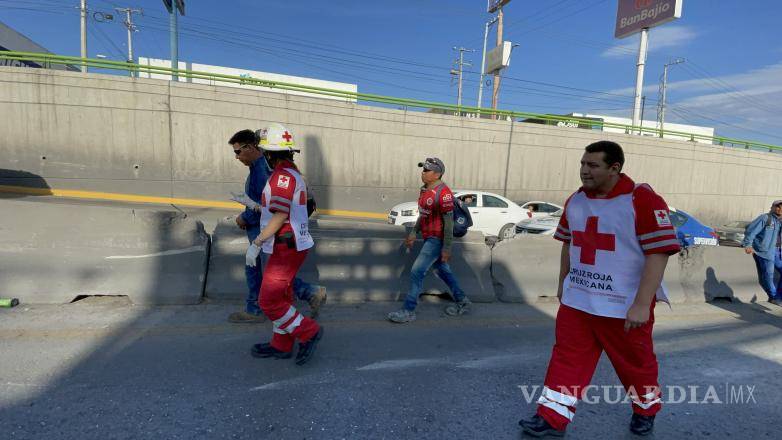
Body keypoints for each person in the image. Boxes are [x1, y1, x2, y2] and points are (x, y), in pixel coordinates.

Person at [518, 140, 680, 437]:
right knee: (567, 358)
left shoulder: (641, 199)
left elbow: (658, 252)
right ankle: (552, 418)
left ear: (614, 168)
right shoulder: (576, 201)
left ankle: (645, 409)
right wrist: (563, 283)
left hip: (623, 305)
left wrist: (642, 304)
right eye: (582, 164)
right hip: (578, 301)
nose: (584, 170)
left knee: (635, 364)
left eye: (593, 165)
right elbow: (569, 244)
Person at [227, 129, 326, 323]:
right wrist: (251, 204)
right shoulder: (282, 172)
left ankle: (305, 326)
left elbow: (279, 213)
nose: (237, 157)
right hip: (279, 235)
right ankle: (286, 324)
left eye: (238, 151)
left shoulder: (276, 174)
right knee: (271, 280)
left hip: (277, 236)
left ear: (258, 149)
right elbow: (269, 206)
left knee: (270, 286)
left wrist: (255, 236)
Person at [244, 123, 324, 365]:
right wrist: (253, 205)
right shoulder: (289, 174)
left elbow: (280, 215)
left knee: (268, 301)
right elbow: (279, 209)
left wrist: (257, 242)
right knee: (283, 297)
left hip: (285, 247)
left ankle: (309, 331)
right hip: (288, 245)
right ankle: (281, 344)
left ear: (269, 153)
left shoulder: (282, 177)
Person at [387, 157, 471, 323]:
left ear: (437, 174)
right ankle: (463, 300)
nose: (423, 173)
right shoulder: (424, 190)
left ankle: (408, 310)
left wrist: (447, 248)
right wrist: (413, 233)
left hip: (437, 238)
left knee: (417, 271)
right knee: (442, 270)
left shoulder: (444, 193)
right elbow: (423, 214)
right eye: (423, 169)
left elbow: (448, 223)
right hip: (428, 236)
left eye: (427, 170)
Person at [741, 200, 782, 306]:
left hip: (777, 251)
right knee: (768, 276)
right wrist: (748, 245)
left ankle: (778, 296)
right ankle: (773, 297)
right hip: (764, 252)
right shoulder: (765, 218)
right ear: (772, 207)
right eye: (777, 206)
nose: (780, 209)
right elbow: (750, 230)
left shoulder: (780, 221)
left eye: (781, 207)